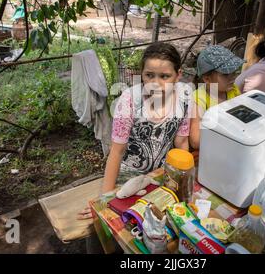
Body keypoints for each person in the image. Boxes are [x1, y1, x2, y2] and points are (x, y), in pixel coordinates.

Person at [78, 42, 192, 220]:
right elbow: (117, 151)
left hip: (162, 176)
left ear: (178, 76)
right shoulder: (130, 100)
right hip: (128, 180)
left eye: (165, 76)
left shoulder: (184, 98)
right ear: (141, 74)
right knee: (121, 222)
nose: (156, 83)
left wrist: (182, 181)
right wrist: (105, 200)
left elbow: (182, 143)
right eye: (149, 75)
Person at [189, 45, 245, 150]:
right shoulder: (198, 100)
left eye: (234, 72)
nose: (232, 77)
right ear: (207, 79)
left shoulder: (234, 91)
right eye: (226, 74)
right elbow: (196, 141)